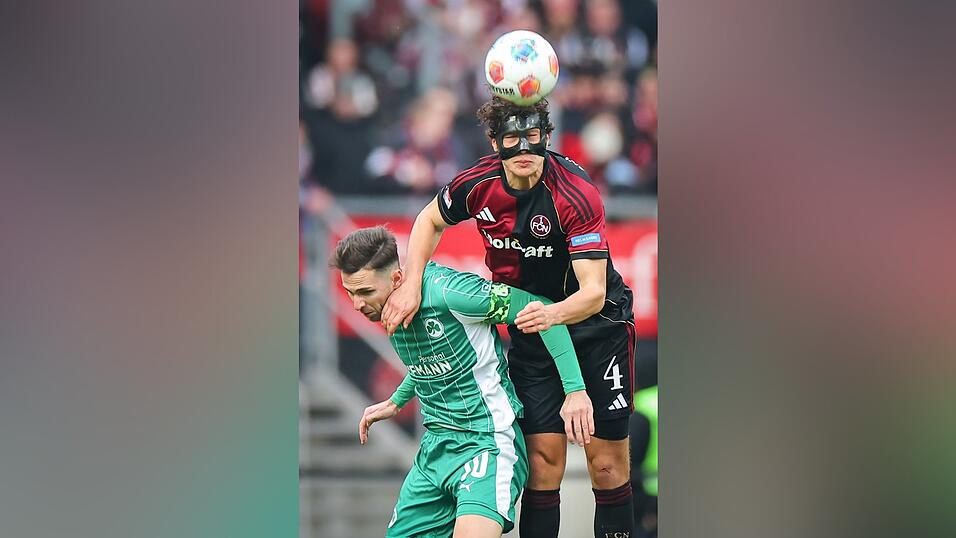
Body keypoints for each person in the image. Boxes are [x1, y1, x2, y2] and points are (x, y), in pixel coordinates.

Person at [382, 96, 638, 538]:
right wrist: (410, 282)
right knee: (542, 463)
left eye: (533, 138)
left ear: (546, 138)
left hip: (598, 330)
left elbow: (593, 293)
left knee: (607, 464)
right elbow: (428, 221)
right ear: (495, 141)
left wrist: (547, 314)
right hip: (532, 334)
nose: (524, 149)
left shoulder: (574, 193)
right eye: (513, 139)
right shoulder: (478, 182)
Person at [331, 226, 594, 538]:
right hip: (435, 449)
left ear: (397, 279)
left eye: (365, 293)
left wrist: (575, 389)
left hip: (487, 442)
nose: (358, 305)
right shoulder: (388, 309)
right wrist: (396, 401)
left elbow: (540, 309)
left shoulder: (451, 293)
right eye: (351, 293)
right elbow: (431, 361)